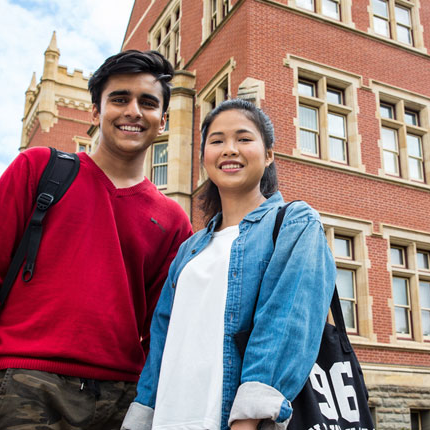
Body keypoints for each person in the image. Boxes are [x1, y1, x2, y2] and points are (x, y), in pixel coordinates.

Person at [0, 50, 193, 430]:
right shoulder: (38, 168)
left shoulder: (174, 220)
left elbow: (163, 326)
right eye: (119, 99)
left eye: (147, 102)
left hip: (122, 400)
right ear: (96, 113)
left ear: (163, 120)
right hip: (22, 384)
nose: (133, 111)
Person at [122, 99, 336, 430]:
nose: (229, 149)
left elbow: (286, 321)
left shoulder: (294, 223)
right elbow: (161, 340)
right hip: (169, 418)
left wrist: (248, 419)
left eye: (244, 138)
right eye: (217, 140)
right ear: (204, 156)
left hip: (227, 421)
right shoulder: (188, 250)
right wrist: (142, 414)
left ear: (268, 155)